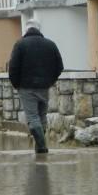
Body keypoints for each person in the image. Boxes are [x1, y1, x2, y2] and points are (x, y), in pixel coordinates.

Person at [8, 19, 64, 154]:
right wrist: (50, 81)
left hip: (26, 87)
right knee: (42, 116)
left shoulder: (20, 45)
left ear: (26, 30)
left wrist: (17, 84)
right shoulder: (50, 45)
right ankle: (39, 148)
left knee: (33, 117)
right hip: (44, 87)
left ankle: (42, 147)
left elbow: (13, 67)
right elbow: (59, 67)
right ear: (39, 29)